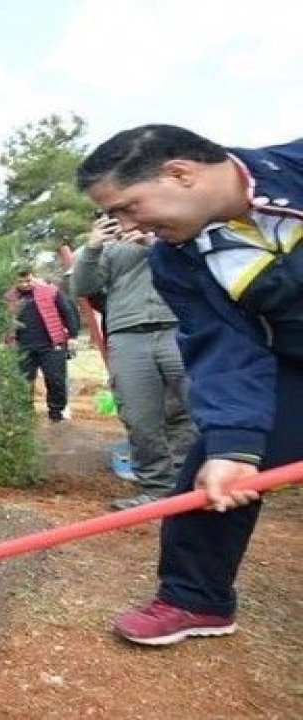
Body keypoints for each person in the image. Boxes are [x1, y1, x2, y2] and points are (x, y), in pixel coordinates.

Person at [78, 124, 303, 646]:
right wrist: (234, 447)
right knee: (213, 472)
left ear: (180, 173)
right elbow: (227, 350)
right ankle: (195, 599)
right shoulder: (175, 259)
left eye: (128, 207)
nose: (126, 225)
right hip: (292, 364)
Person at [71, 217, 195, 510]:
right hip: (128, 335)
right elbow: (82, 286)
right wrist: (92, 247)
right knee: (140, 416)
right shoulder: (109, 249)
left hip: (178, 326)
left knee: (191, 410)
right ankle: (156, 488)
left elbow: (201, 269)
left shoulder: (180, 231)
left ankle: (189, 485)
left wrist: (155, 244)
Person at [5, 269, 80, 422]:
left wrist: (72, 335)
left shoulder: (51, 292)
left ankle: (56, 412)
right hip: (22, 345)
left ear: (34, 277)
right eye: (20, 282)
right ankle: (24, 414)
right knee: (23, 381)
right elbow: (2, 320)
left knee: (55, 379)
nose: (25, 284)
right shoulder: (9, 297)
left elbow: (68, 312)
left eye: (28, 280)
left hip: (51, 344)